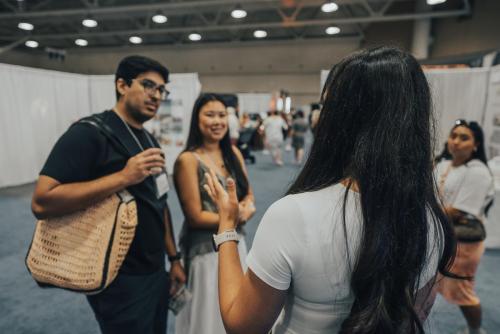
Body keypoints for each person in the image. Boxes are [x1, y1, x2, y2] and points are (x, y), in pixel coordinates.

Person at [203, 47, 457, 334]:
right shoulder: (430, 221)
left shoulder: (294, 215)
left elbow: (242, 325)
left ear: (340, 118)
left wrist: (227, 228)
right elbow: (415, 316)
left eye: (326, 107)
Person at [31, 55, 186, 334]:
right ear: (122, 85)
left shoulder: (148, 138)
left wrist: (173, 259)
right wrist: (123, 177)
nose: (156, 95)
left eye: (162, 89)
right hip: (117, 277)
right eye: (148, 85)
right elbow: (42, 201)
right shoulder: (89, 133)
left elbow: (159, 204)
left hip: (154, 271)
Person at [173, 93, 255, 334]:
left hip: (236, 244)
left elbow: (249, 195)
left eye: (222, 115)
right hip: (206, 252)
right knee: (208, 317)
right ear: (196, 120)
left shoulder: (234, 154)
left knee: (236, 311)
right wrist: (234, 217)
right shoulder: (188, 160)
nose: (217, 121)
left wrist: (244, 209)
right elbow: (195, 216)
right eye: (210, 115)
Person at [435, 120, 494, 334]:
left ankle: (475, 331)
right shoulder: (443, 165)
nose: (456, 142)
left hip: (463, 245)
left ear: (476, 144)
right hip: (443, 236)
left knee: (462, 293)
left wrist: (425, 211)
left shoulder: (478, 171)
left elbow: (457, 212)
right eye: (454, 136)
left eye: (464, 137)